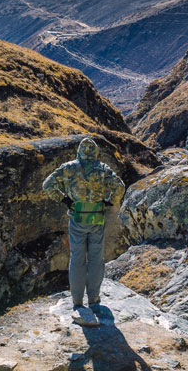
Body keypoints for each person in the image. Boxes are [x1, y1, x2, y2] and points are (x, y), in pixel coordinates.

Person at [42, 137, 125, 326]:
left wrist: (66, 201)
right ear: (95, 153)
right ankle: (94, 299)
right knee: (96, 258)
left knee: (77, 258)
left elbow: (47, 185)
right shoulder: (102, 168)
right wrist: (109, 201)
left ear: (79, 151)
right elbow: (119, 187)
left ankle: (77, 302)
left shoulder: (69, 167)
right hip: (97, 217)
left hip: (77, 218)